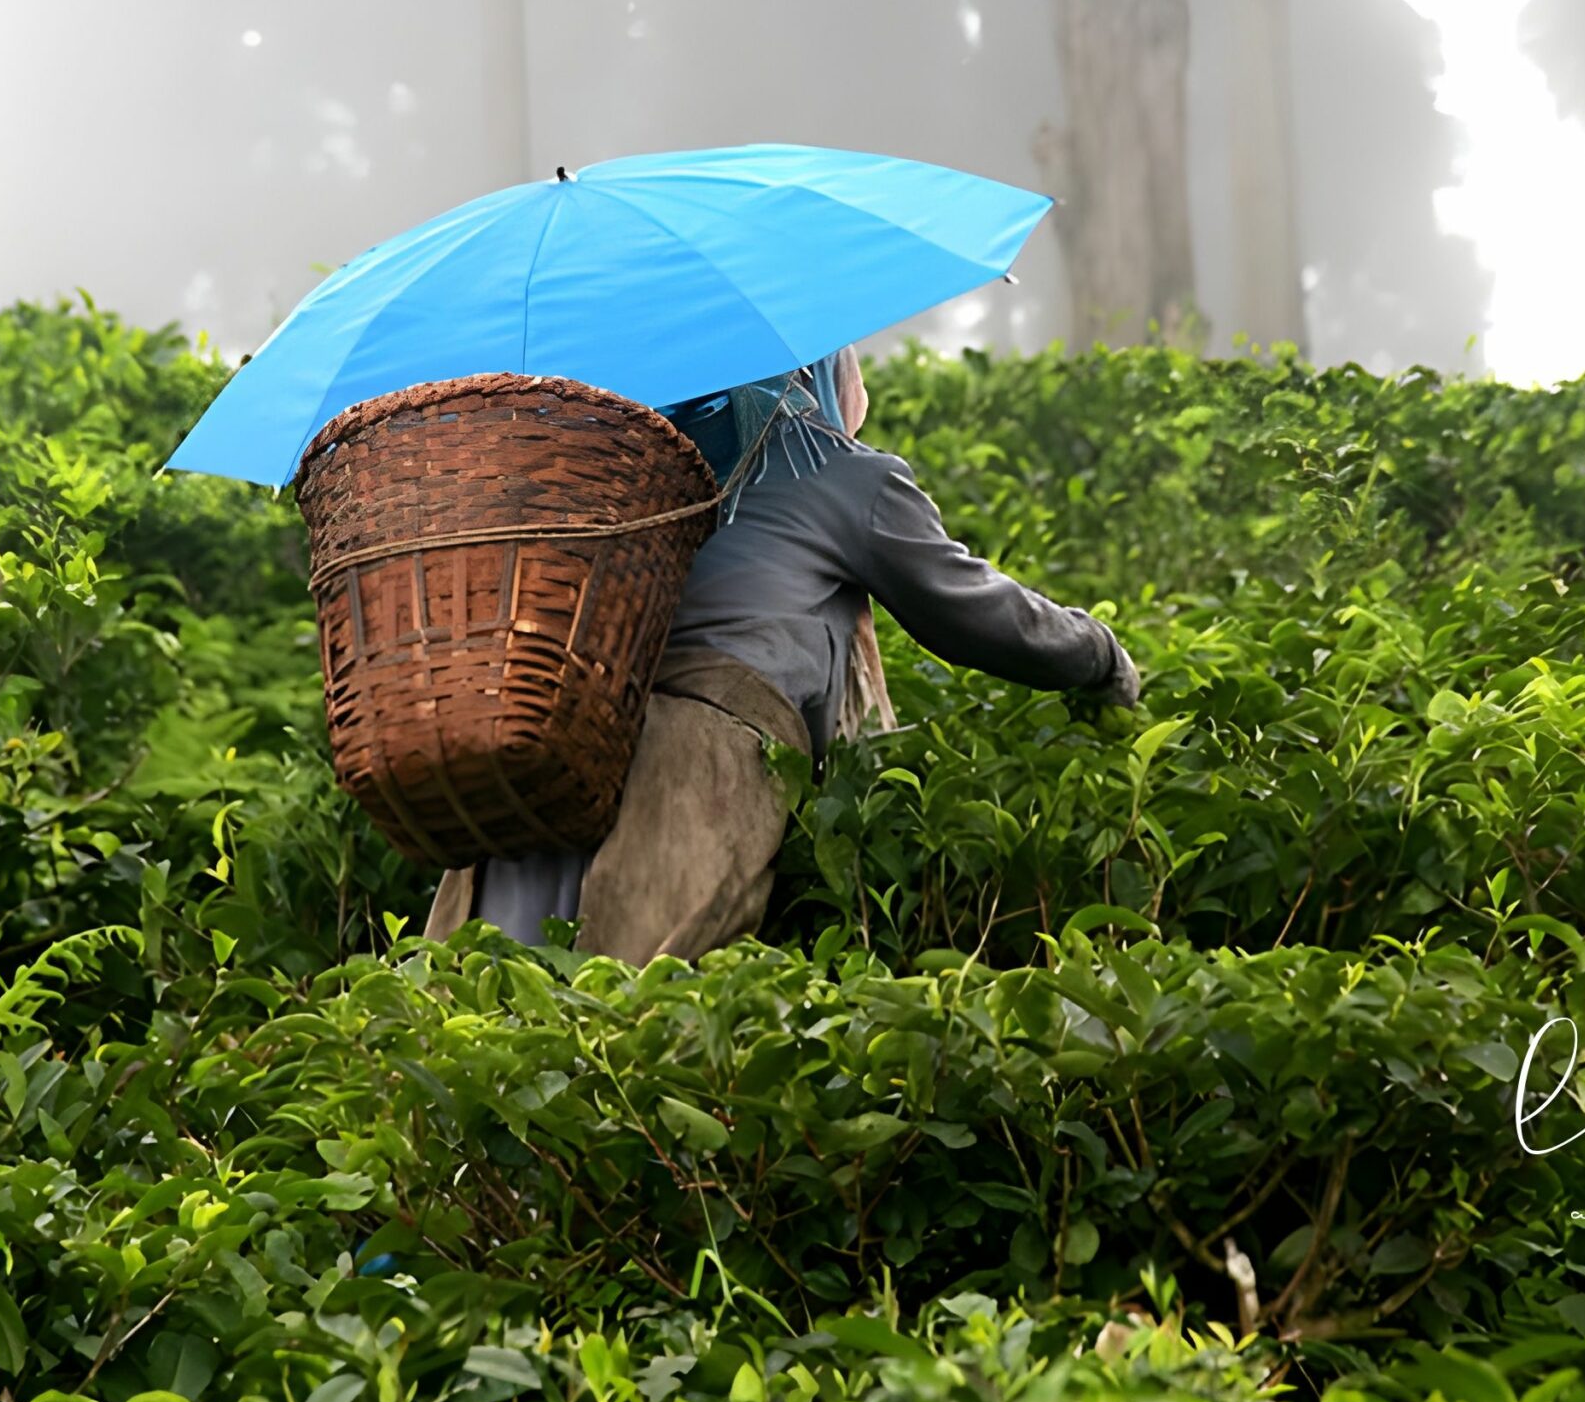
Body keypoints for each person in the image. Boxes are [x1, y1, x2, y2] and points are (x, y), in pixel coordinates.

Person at [422, 344, 1139, 964]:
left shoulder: (617, 465)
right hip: (701, 757)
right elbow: (973, 611)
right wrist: (1098, 654)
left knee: (483, 1026)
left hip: (562, 742)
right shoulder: (836, 470)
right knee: (631, 1028)